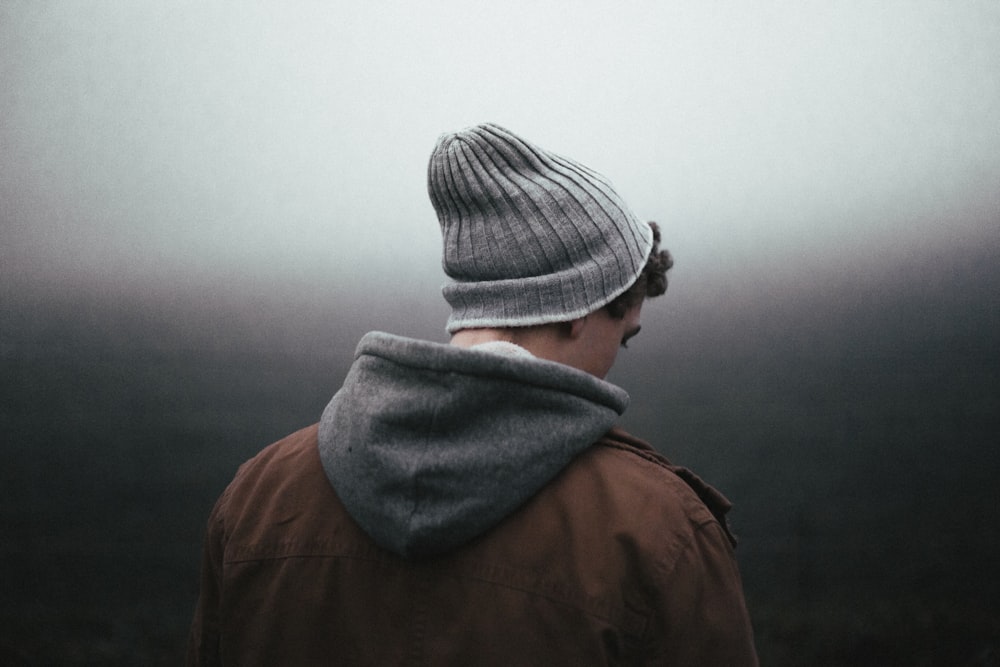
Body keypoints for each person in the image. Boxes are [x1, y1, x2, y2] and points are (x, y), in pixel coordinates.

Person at [187, 123, 758, 665]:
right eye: (623, 339)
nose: (613, 367)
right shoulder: (661, 533)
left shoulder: (256, 501)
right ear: (579, 309)